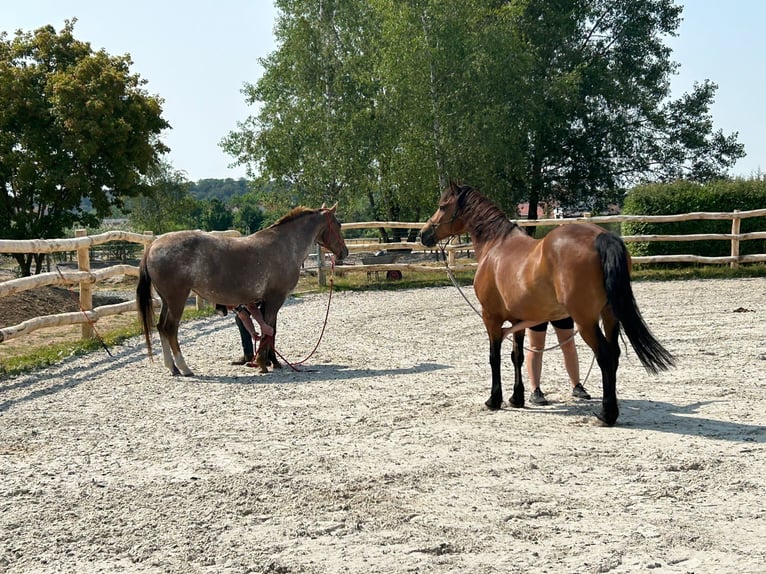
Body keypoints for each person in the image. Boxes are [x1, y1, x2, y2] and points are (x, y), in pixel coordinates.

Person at [525, 317, 591, 405]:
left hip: (560, 309)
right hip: (537, 309)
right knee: (536, 347)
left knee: (569, 344)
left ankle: (576, 385)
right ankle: (535, 390)